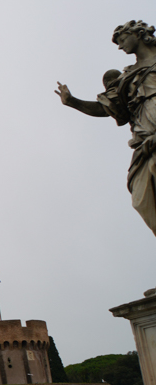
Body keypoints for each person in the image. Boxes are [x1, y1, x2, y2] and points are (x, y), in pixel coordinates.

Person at [56, 20, 156, 237]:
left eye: (122, 40)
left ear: (137, 34)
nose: (120, 47)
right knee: (141, 198)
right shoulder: (127, 77)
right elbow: (106, 107)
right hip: (145, 139)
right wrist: (72, 101)